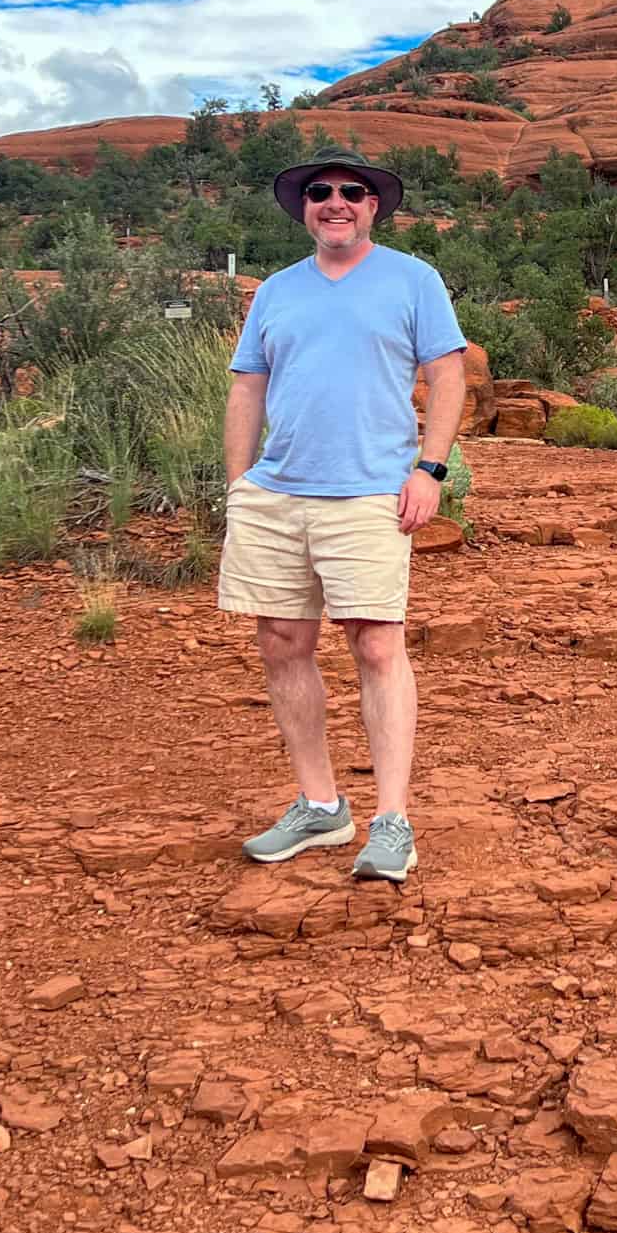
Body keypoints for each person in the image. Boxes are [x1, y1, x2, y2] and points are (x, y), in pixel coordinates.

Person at [218, 147, 467, 881]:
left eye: (352, 192)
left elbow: (446, 375)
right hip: (278, 490)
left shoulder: (413, 280)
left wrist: (430, 469)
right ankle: (321, 806)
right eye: (320, 192)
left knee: (377, 645)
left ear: (373, 206)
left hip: (369, 492)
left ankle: (391, 822)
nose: (336, 202)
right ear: (303, 206)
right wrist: (239, 486)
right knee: (280, 642)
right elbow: (246, 387)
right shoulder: (276, 292)